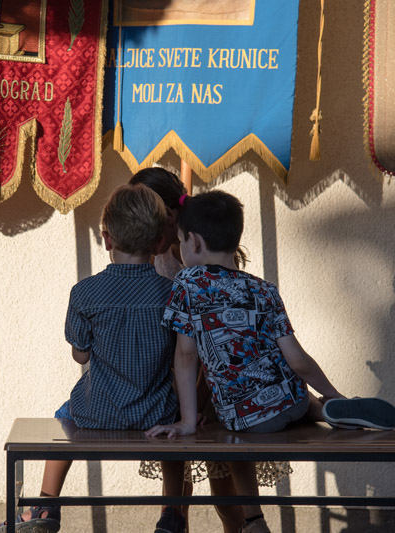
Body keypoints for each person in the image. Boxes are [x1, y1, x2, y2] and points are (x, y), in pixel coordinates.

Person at [146, 190, 395, 533]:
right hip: (291, 400)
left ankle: (253, 519)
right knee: (293, 394)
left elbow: (186, 355)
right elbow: (297, 360)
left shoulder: (188, 283)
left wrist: (189, 421)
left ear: (193, 242)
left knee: (231, 434)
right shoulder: (263, 288)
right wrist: (335, 393)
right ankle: (327, 409)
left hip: (249, 418)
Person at [0, 183, 187, 533]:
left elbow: (80, 353)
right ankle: (172, 512)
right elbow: (182, 358)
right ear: (160, 243)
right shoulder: (172, 293)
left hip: (97, 413)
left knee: (65, 416)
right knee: (173, 438)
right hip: (156, 415)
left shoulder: (85, 293)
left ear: (107, 238)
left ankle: (45, 507)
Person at [130, 168, 290, 533]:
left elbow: (213, 342)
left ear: (170, 217)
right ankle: (176, 516)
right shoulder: (157, 256)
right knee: (177, 488)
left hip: (214, 381)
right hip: (180, 384)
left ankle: (247, 521)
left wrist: (201, 400)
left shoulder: (193, 264)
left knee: (224, 492)